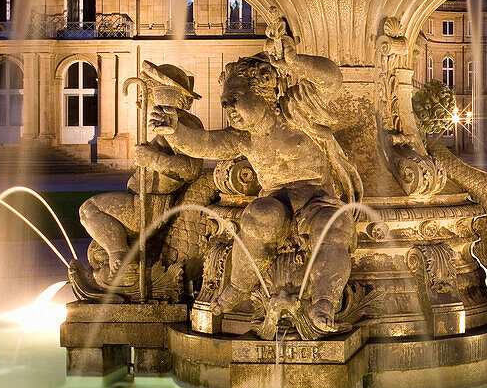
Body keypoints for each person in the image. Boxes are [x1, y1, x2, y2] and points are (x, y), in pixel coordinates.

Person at [151, 34, 361, 335]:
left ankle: (325, 299)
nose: (229, 109)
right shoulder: (243, 137)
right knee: (261, 214)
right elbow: (206, 144)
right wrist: (173, 132)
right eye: (225, 103)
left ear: (263, 92)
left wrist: (295, 63)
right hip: (277, 199)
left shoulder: (296, 110)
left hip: (318, 198)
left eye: (235, 99)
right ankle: (238, 286)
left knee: (334, 226)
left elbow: (332, 81)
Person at [80, 61, 204, 287]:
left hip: (149, 206)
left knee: (89, 209)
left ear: (165, 93)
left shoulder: (181, 124)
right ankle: (121, 255)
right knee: (96, 246)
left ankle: (120, 255)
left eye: (153, 91)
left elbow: (191, 168)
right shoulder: (172, 123)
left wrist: (152, 158)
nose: (149, 101)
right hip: (143, 200)